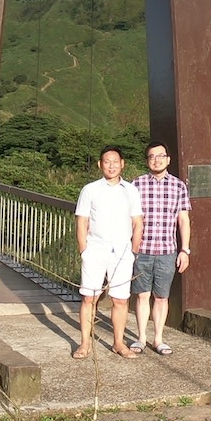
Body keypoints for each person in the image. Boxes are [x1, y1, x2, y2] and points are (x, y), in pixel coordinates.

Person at [73, 144, 143, 359]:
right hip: (95, 249)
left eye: (115, 161)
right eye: (107, 161)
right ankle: (85, 344)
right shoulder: (90, 189)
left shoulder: (131, 190)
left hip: (122, 252)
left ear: (122, 164)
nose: (111, 165)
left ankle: (119, 343)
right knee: (89, 298)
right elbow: (81, 222)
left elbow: (137, 222)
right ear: (100, 164)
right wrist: (84, 250)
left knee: (121, 300)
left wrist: (133, 250)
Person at [130, 139, 190, 355]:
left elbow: (183, 220)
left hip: (167, 250)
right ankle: (141, 338)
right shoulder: (136, 185)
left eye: (160, 156)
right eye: (152, 156)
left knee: (162, 296)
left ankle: (158, 339)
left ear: (168, 159)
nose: (156, 160)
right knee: (142, 295)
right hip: (142, 250)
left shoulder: (179, 186)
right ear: (147, 160)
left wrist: (185, 250)